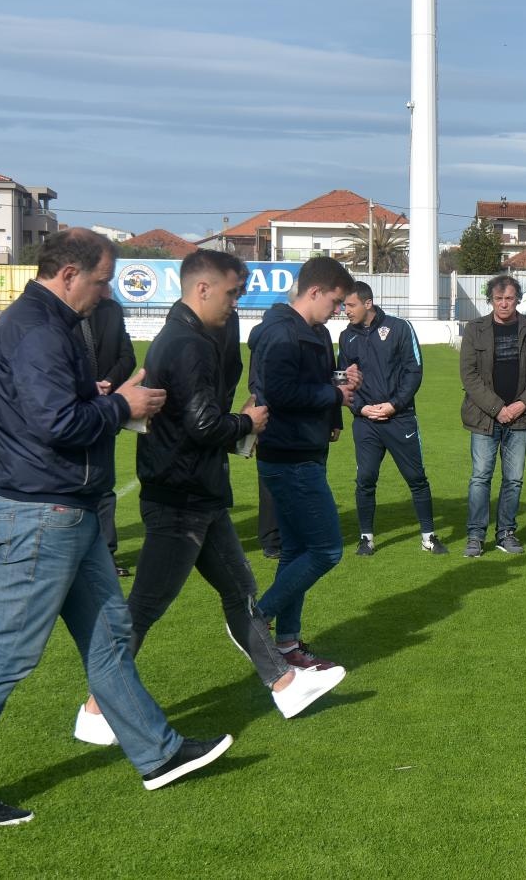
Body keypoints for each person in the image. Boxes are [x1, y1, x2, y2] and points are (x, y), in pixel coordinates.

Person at [0, 229, 231, 829]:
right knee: (5, 655)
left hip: (68, 509)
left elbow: (48, 408)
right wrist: (122, 407)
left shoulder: (45, 325)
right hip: (43, 513)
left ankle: (158, 753)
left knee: (109, 639)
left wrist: (102, 395)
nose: (106, 291)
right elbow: (56, 423)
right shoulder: (39, 329)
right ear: (68, 275)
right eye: (101, 280)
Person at [77, 250, 343, 741]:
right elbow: (203, 424)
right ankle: (97, 709)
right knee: (146, 606)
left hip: (194, 487)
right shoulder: (188, 343)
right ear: (203, 289)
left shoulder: (186, 336)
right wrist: (247, 422)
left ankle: (285, 684)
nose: (236, 303)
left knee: (239, 592)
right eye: (232, 293)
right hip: (180, 493)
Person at [249, 256, 357, 670]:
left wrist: (339, 383)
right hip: (289, 457)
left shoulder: (311, 332)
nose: (338, 309)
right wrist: (333, 396)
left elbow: (303, 383)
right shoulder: (281, 333)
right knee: (326, 550)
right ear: (314, 291)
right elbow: (278, 393)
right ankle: (254, 619)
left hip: (302, 451)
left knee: (295, 552)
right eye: (335, 301)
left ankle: (287, 645)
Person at [337, 281, 448, 556]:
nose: (345, 310)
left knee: (416, 478)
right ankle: (366, 538)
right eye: (343, 305)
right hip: (365, 421)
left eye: (350, 305)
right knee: (365, 479)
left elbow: (414, 371)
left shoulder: (399, 328)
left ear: (368, 303)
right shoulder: (346, 336)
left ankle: (428, 537)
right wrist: (360, 408)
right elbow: (341, 379)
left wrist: (393, 405)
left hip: (400, 419)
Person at [459, 274, 526, 557]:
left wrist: (521, 405)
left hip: (520, 418)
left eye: (509, 298)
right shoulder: (475, 329)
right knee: (480, 477)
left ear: (517, 299)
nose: (504, 304)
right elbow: (469, 376)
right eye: (498, 299)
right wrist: (498, 409)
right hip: (484, 418)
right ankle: (476, 536)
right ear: (491, 300)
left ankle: (506, 533)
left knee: (514, 479)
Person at [79, 295, 136, 575]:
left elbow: (127, 356)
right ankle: (74, 555)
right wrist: (87, 386)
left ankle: (105, 556)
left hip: (104, 408)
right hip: (71, 408)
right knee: (71, 484)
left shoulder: (112, 309)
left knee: (102, 484)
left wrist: (108, 382)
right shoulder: (62, 311)